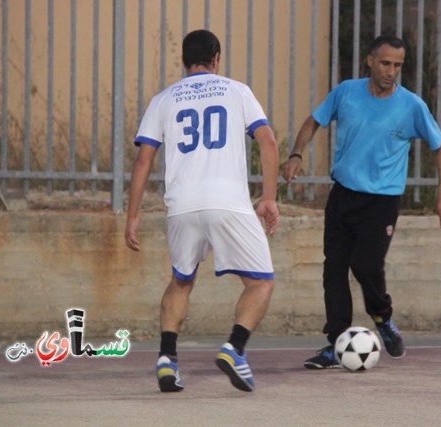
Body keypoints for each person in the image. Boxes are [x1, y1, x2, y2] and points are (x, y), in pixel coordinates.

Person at [283, 35, 441, 368]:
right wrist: (296, 154)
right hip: (343, 195)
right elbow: (313, 121)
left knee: (365, 266)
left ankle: (383, 316)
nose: (392, 71)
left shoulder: (411, 105)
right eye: (386, 63)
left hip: (382, 202)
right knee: (333, 270)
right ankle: (337, 343)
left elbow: (440, 145)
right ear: (370, 61)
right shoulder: (346, 92)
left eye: (398, 66)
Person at [125, 29, 280, 392]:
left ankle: (166, 359)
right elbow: (268, 141)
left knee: (182, 280)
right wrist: (269, 198)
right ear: (217, 59)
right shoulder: (237, 91)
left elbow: (144, 160)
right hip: (228, 203)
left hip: (181, 207)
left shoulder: (162, 100)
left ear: (183, 61)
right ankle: (235, 349)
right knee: (261, 282)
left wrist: (132, 216)